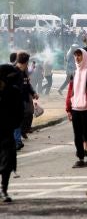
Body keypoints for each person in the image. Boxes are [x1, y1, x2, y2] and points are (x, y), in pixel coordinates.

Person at [0, 64, 24, 202]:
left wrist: (13, 124)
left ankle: (4, 189)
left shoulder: (13, 92)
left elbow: (19, 112)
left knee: (7, 162)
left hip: (7, 132)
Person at [14, 52, 39, 147]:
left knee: (19, 120)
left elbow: (27, 84)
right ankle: (16, 141)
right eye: (27, 62)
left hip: (22, 100)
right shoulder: (14, 71)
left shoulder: (24, 72)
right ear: (25, 62)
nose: (28, 65)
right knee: (16, 121)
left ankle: (18, 140)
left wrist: (33, 93)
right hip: (14, 101)